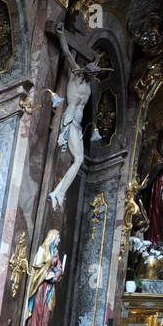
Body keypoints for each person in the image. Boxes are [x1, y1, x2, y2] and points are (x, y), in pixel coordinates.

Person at [48, 31, 102, 212]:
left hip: (77, 125)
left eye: (96, 74)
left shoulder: (88, 86)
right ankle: (58, 193)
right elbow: (67, 53)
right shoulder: (77, 75)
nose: (93, 75)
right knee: (78, 159)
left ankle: (58, 191)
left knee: (78, 160)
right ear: (88, 68)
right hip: (69, 120)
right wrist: (61, 34)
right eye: (92, 71)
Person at [23, 231, 65, 326]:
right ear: (52, 237)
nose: (59, 240)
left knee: (46, 312)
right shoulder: (43, 250)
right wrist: (47, 274)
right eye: (58, 238)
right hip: (40, 286)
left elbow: (59, 268)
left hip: (49, 287)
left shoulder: (56, 253)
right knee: (37, 310)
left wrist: (56, 275)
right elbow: (38, 267)